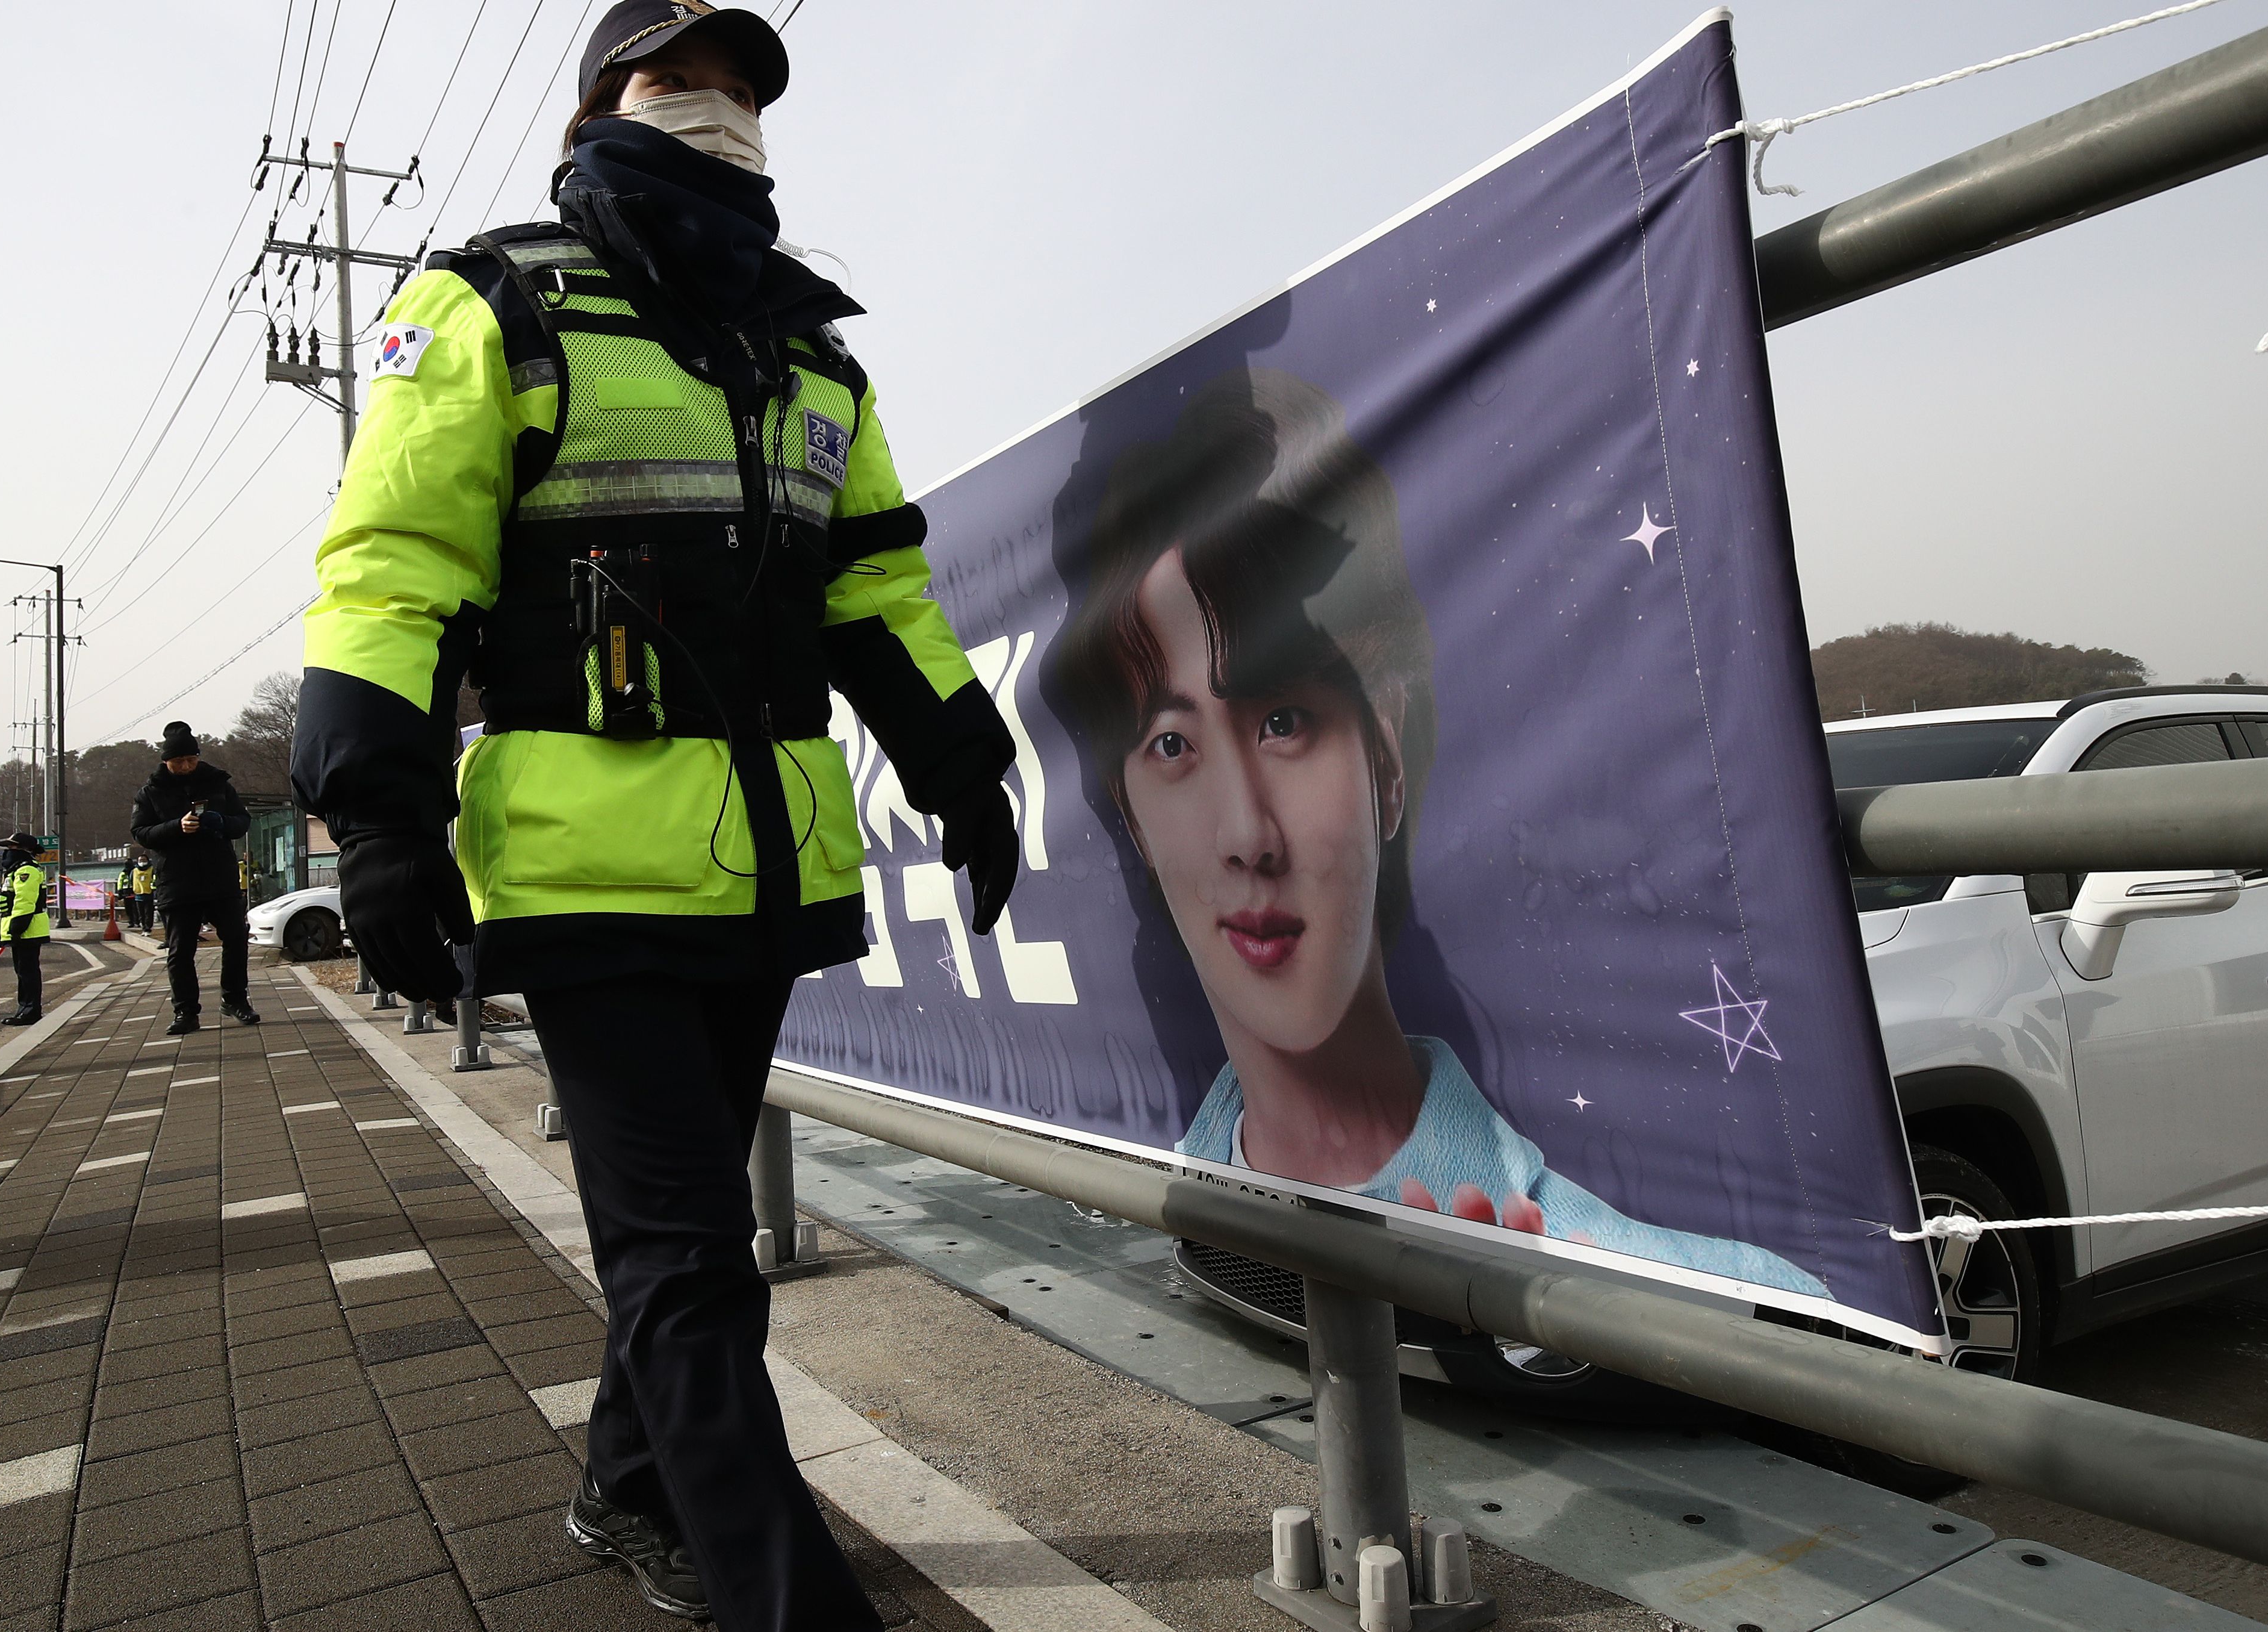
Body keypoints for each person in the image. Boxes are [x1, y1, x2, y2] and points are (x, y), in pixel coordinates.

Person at [294, 6, 1019, 1624]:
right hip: (581, 874)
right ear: (596, 106)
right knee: (690, 1261)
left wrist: (966, 761)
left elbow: (877, 585)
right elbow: (391, 568)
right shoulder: (486, 300)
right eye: (674, 77)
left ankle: (629, 1484)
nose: (716, 108)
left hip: (762, 862)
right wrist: (381, 821)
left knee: (674, 1240)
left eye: (740, 86)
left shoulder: (816, 347)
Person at [1048, 368, 1824, 1296]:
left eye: (1285, 722)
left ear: (1384, 751)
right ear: (1127, 812)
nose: (1246, 833)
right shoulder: (1113, 1210)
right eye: (1171, 743)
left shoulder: (1703, 1293)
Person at [130, 721, 258, 1034]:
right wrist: (176, 827)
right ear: (166, 762)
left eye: (191, 760)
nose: (186, 767)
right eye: (178, 762)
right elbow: (140, 833)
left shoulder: (218, 783)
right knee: (181, 949)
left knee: (237, 938)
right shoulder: (150, 792)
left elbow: (242, 821)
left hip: (220, 877)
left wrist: (220, 822)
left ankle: (235, 1000)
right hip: (177, 881)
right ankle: (186, 1011)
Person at [0, 832, 53, 1025]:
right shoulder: (16, 870)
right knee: (22, 971)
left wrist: (17, 927)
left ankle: (30, 1011)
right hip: (23, 928)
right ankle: (24, 1009)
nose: (8, 852)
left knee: (28, 972)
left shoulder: (27, 870)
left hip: (28, 928)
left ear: (25, 850)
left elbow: (24, 902)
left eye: (13, 848)